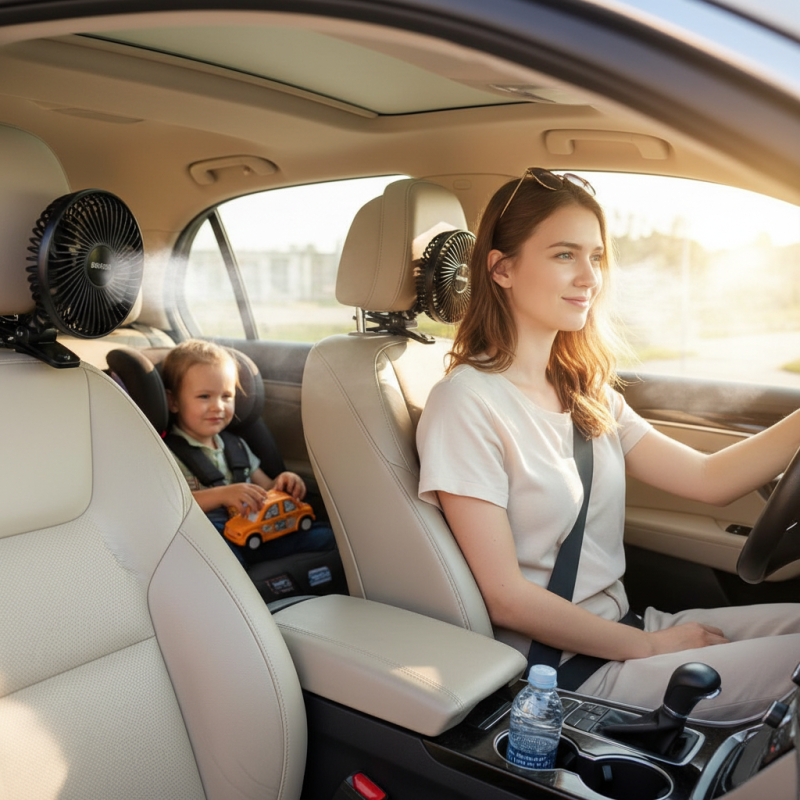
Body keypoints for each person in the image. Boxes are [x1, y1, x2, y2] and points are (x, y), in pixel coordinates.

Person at [416, 168, 800, 722]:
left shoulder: (584, 391)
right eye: (564, 255)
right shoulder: (466, 403)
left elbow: (708, 480)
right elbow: (506, 597)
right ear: (502, 269)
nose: (589, 277)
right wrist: (649, 648)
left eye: (596, 257)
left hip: (625, 631)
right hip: (566, 670)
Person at [161, 339, 336, 565]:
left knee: (326, 536)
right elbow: (171, 507)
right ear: (173, 401)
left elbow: (266, 488)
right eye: (204, 396)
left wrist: (283, 483)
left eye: (226, 396)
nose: (218, 406)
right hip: (211, 538)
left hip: (256, 532)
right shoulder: (166, 453)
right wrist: (223, 495)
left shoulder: (237, 446)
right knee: (220, 553)